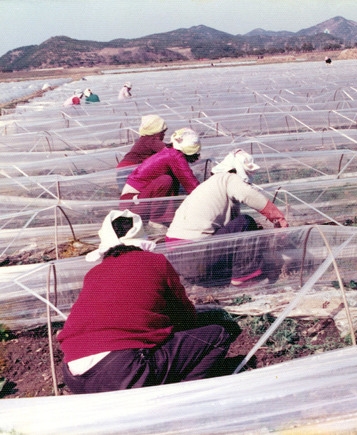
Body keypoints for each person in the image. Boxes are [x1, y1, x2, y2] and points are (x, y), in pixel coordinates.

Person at [57, 209, 238, 394]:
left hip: (74, 377)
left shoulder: (94, 273)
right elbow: (185, 315)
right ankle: (180, 400)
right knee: (218, 336)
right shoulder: (155, 262)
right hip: (121, 371)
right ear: (140, 239)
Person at [165, 149, 288, 286]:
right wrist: (278, 218)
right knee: (245, 222)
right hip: (195, 253)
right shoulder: (227, 178)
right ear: (235, 170)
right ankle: (244, 278)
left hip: (176, 258)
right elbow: (250, 195)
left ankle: (210, 277)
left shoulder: (210, 186)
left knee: (241, 226)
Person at [120, 127, 201, 233]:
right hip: (131, 204)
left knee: (170, 179)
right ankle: (156, 223)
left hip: (135, 201)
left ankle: (161, 219)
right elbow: (190, 183)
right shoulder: (174, 156)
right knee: (166, 180)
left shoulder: (169, 151)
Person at [116, 115, 169, 191]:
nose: (164, 135)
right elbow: (168, 151)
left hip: (123, 171)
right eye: (162, 132)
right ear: (155, 131)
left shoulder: (143, 139)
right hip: (130, 170)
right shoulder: (151, 140)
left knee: (129, 194)